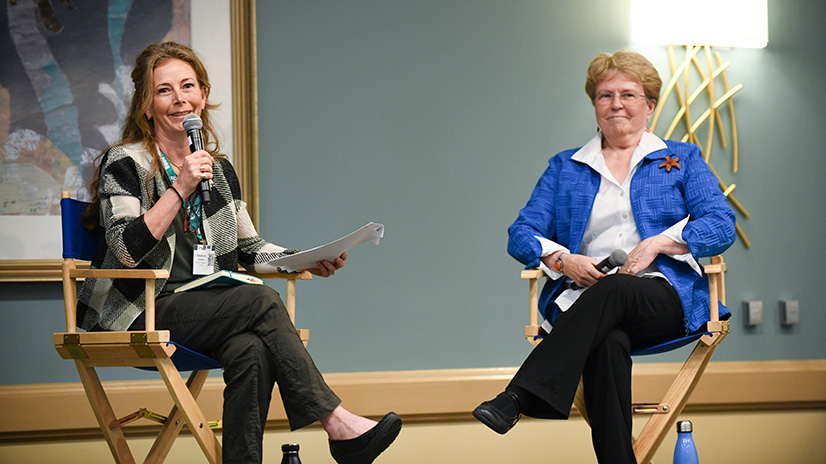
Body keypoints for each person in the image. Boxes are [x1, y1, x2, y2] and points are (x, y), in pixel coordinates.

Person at [76, 41, 401, 464]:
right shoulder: (125, 163)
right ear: (146, 106)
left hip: (206, 307)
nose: (179, 99)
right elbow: (125, 249)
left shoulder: (219, 169)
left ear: (204, 95)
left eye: (188, 86)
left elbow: (250, 249)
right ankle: (336, 423)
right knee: (262, 301)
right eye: (164, 91)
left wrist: (306, 259)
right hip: (140, 309)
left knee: (251, 347)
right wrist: (180, 187)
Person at [472, 50, 735, 463]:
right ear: (594, 104)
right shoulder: (565, 168)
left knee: (617, 288)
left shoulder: (682, 159)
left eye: (628, 94)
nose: (616, 103)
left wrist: (659, 243)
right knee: (609, 343)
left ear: (650, 105)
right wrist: (563, 261)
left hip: (663, 299)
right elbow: (520, 235)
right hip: (586, 304)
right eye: (605, 94)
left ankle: (518, 395)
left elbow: (721, 224)